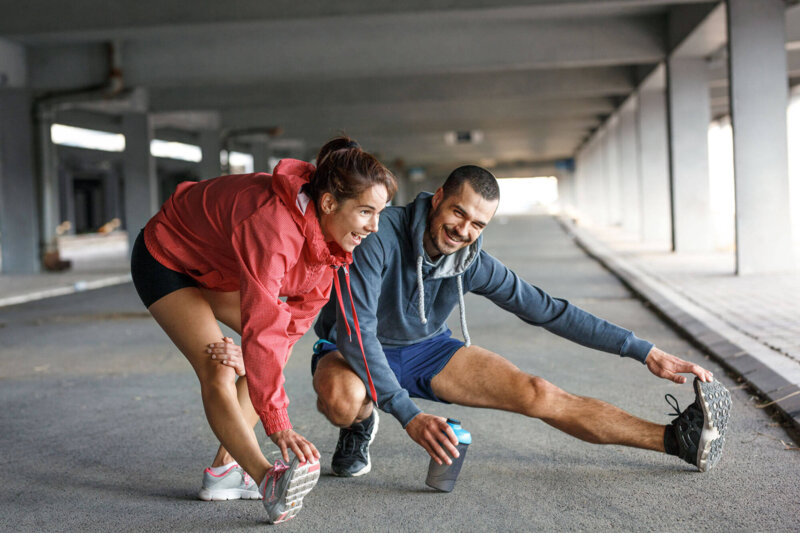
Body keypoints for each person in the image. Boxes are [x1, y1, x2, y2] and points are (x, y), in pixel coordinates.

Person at [306, 164, 731, 480]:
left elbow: (549, 310)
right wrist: (409, 414)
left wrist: (644, 351)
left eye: (477, 224)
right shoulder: (379, 237)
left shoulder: (472, 262)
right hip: (350, 349)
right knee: (345, 401)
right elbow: (356, 333)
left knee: (538, 392)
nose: (462, 230)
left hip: (426, 349)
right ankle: (360, 424)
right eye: (458, 213)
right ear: (437, 198)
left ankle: (677, 441)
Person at [130, 136, 396, 524]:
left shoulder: (332, 244)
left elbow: (289, 330)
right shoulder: (273, 228)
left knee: (270, 353)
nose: (375, 226)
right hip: (166, 258)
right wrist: (278, 422)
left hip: (217, 266)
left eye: (380, 213)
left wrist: (256, 359)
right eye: (366, 212)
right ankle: (266, 478)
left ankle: (224, 470)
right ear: (328, 204)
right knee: (218, 367)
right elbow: (265, 327)